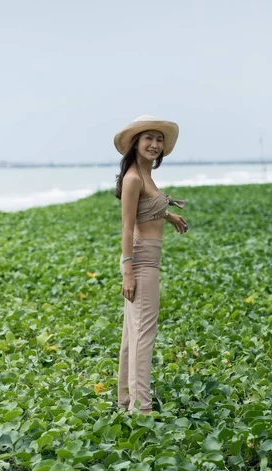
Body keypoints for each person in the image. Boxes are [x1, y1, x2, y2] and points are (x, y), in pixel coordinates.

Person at [114, 115, 189, 414]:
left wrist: (168, 215)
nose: (155, 145)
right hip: (141, 260)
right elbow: (126, 227)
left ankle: (124, 403)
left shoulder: (146, 175)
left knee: (132, 336)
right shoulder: (133, 178)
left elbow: (147, 208)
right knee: (144, 334)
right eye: (149, 139)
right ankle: (141, 410)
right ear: (136, 143)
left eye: (159, 140)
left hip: (147, 258)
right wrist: (128, 272)